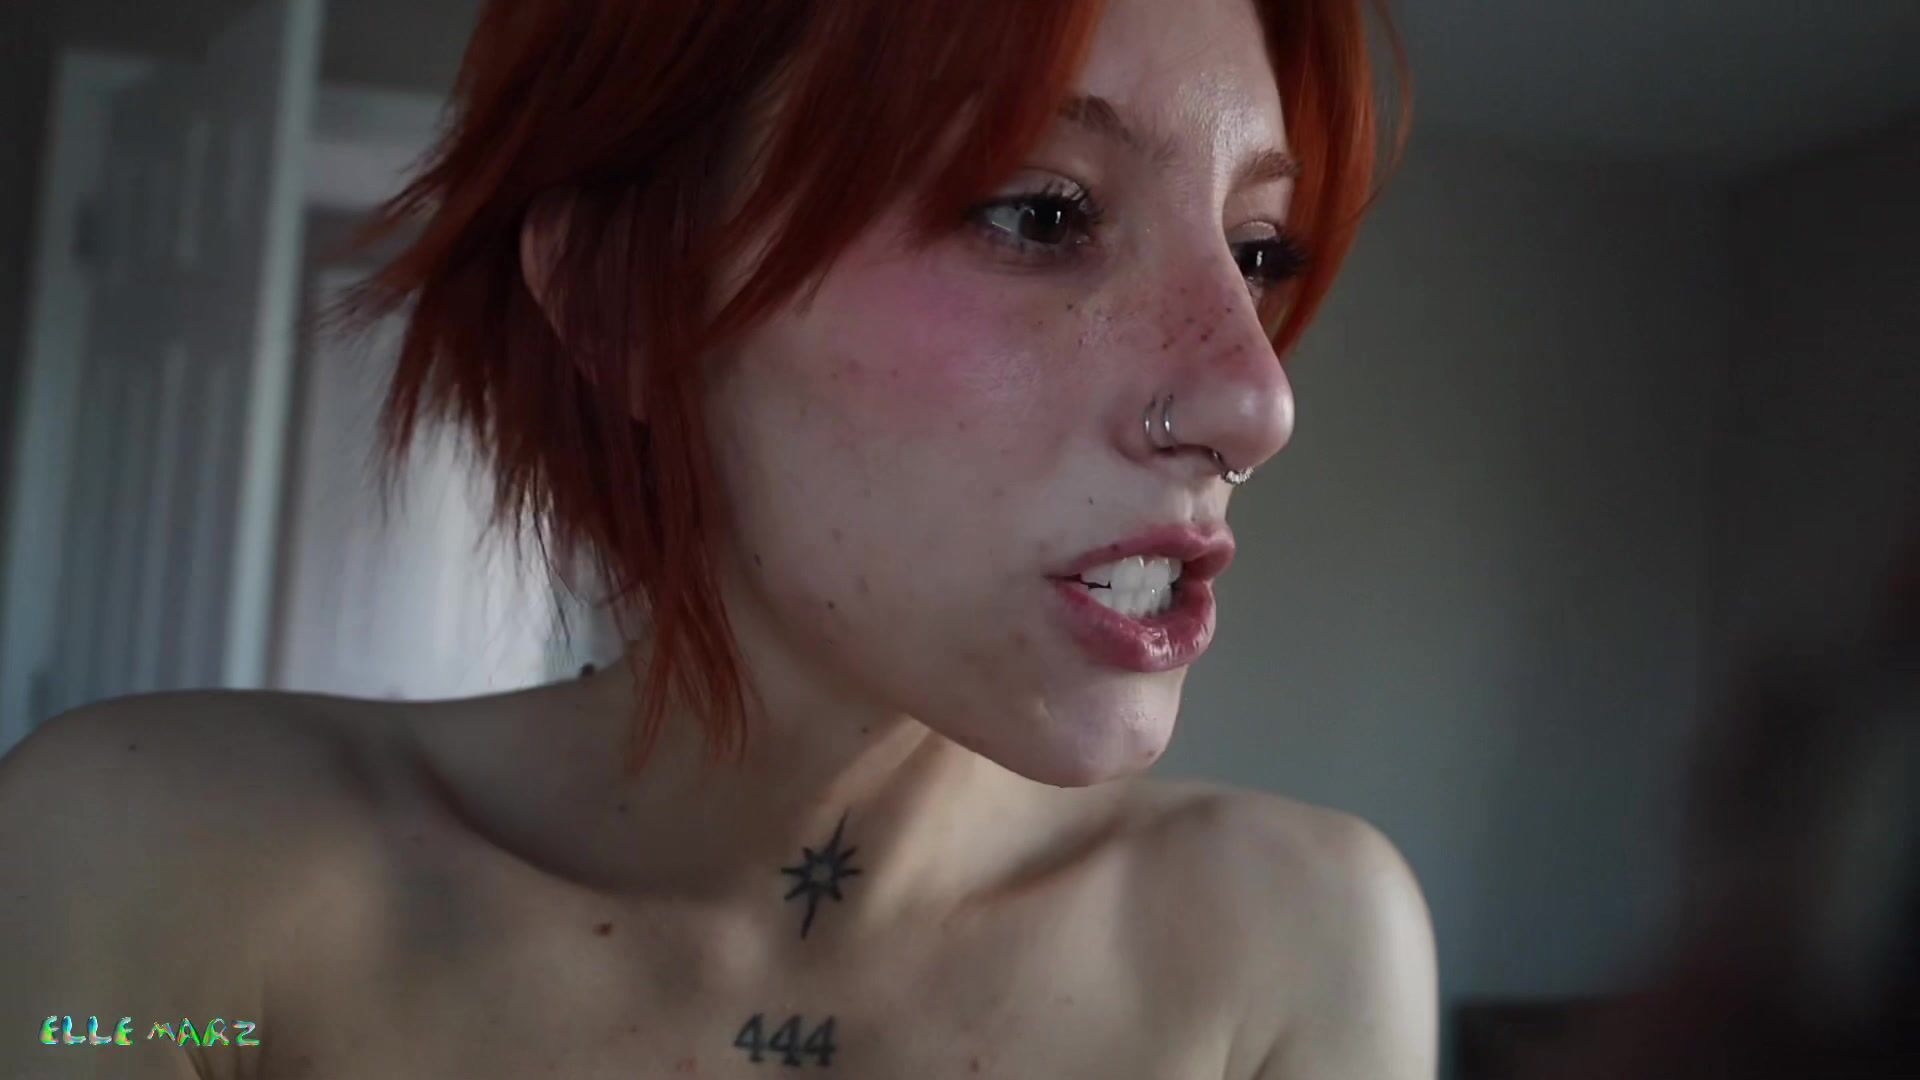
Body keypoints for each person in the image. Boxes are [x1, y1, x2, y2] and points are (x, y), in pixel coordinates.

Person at [0, 0, 1431, 1076]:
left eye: (1259, 251)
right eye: (1042, 212)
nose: (1257, 399)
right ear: (629, 305)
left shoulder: (1291, 947)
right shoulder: (163, 883)